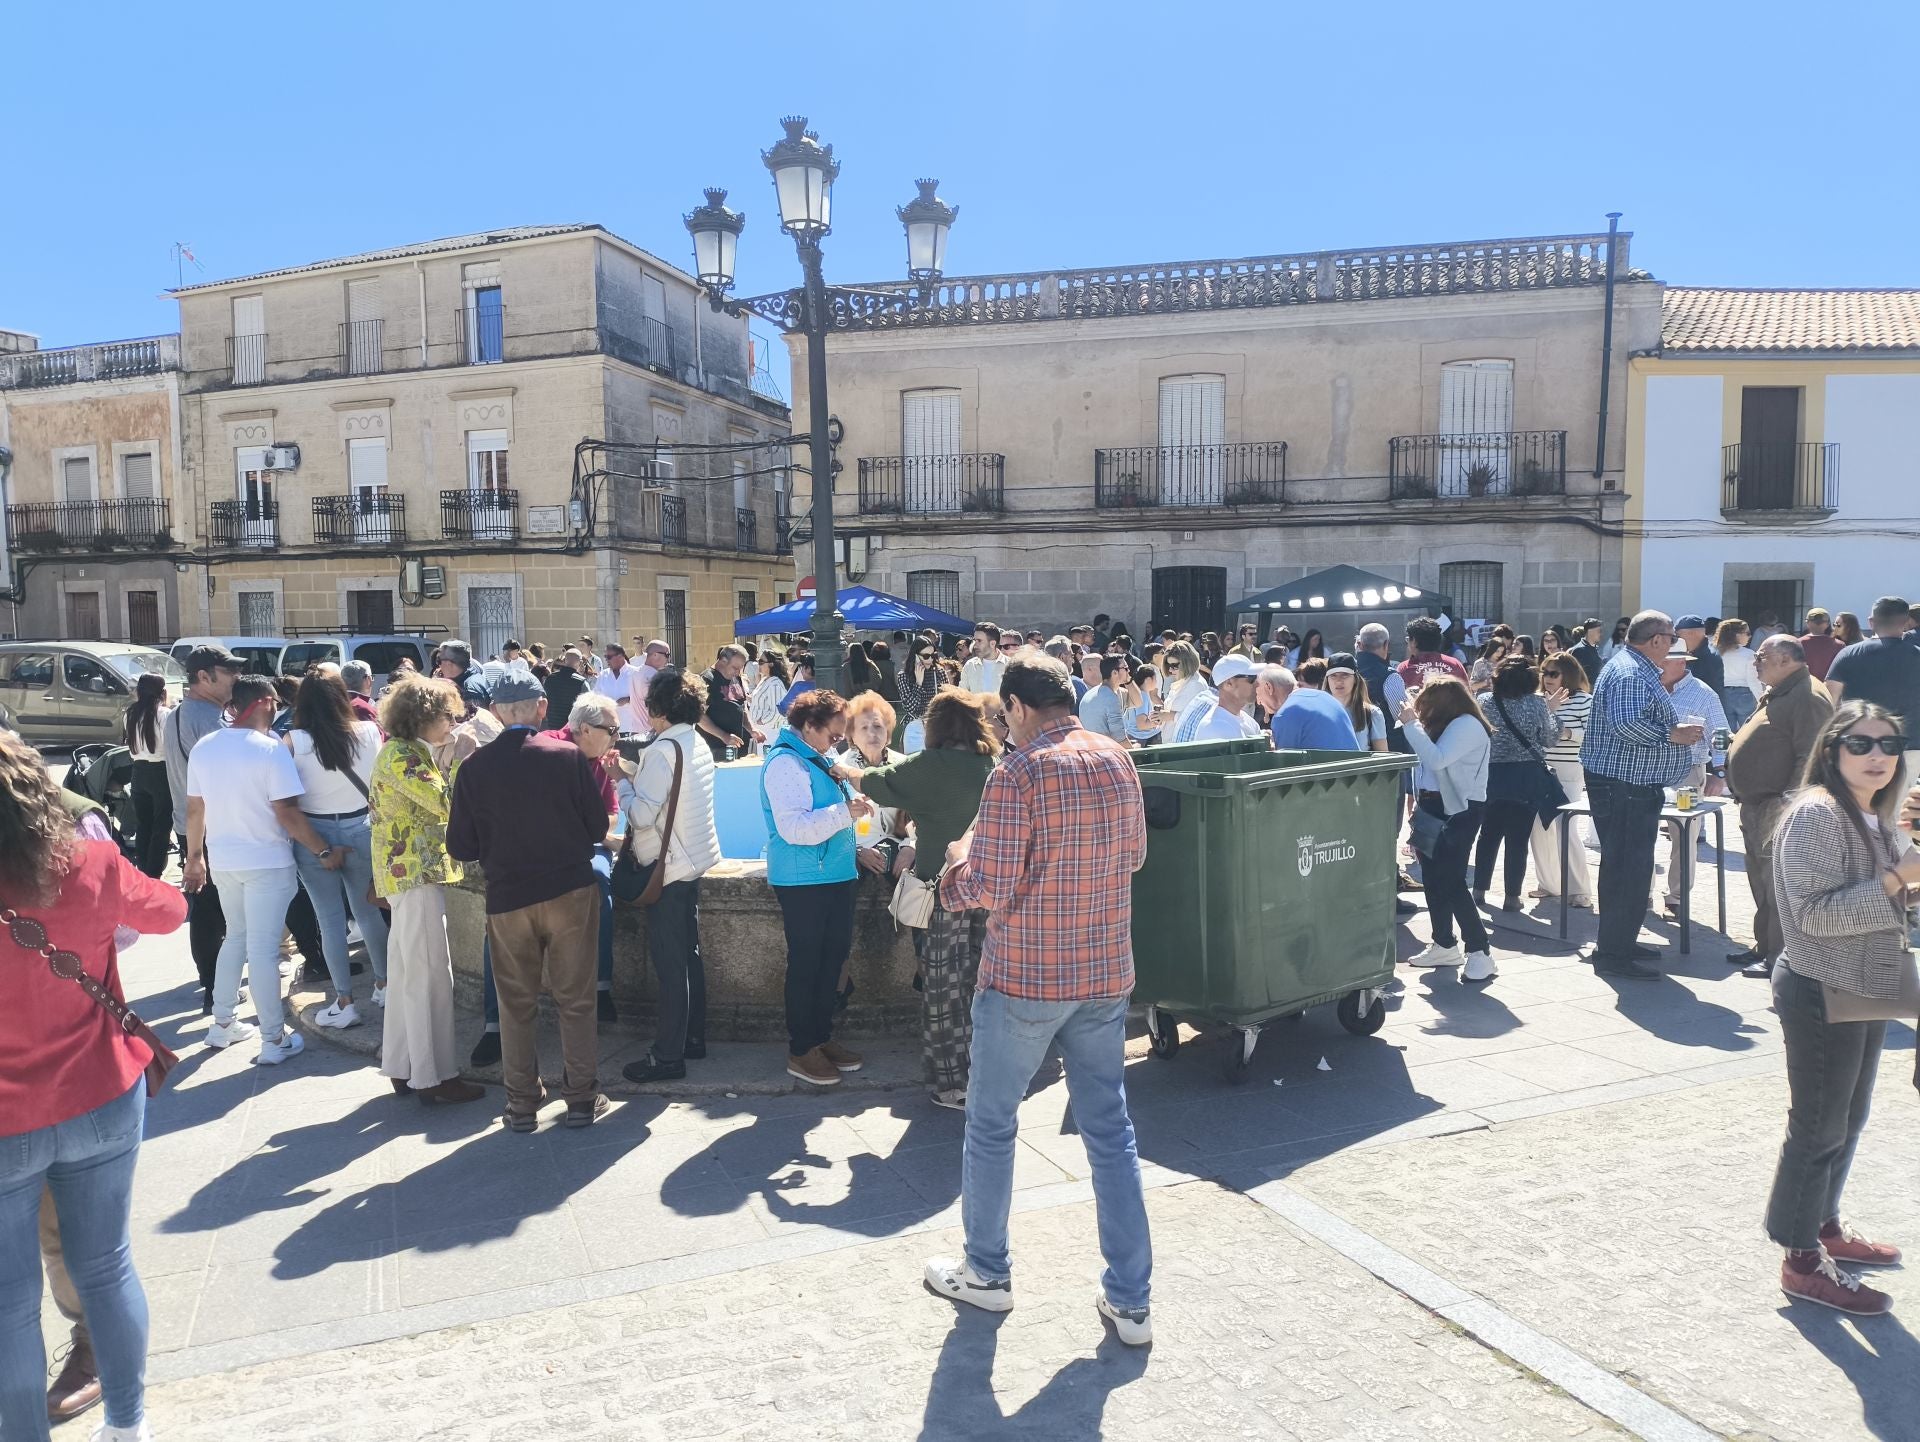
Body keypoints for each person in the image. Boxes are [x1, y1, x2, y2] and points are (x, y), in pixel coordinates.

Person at [925, 652, 1153, 1347]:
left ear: (1019, 708)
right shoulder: (1118, 758)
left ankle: (987, 1273)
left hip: (1026, 976)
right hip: (1104, 971)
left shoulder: (1018, 772)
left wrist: (952, 868)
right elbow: (1136, 856)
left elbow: (986, 885)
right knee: (1110, 1132)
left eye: (1005, 714)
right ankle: (1131, 1299)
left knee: (992, 1124)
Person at [0, 732, 185, 1442]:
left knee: (11, 1303)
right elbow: (169, 911)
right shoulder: (91, 860)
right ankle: (127, 1425)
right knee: (106, 1267)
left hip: (8, 1118)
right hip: (101, 1091)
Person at [1764, 702, 1919, 1317]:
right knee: (1818, 1127)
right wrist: (1898, 876)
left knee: (1848, 1119)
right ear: (1832, 751)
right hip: (1820, 986)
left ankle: (1824, 1225)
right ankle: (1801, 1259)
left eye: (1889, 743)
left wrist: (1905, 867)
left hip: (1864, 982)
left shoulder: (1870, 812)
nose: (1877, 755)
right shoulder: (1816, 815)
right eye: (1860, 744)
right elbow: (1816, 916)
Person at [446, 669, 611, 1131]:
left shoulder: (475, 768)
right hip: (568, 891)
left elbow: (461, 846)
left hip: (509, 897)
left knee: (514, 1003)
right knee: (576, 998)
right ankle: (580, 1096)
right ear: (542, 708)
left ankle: (521, 1104)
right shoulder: (567, 757)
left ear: (496, 713)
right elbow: (598, 828)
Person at [839, 688, 997, 1109]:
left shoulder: (932, 765)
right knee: (983, 985)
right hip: (988, 888)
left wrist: (841, 769)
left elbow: (881, 784)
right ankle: (989, 1072)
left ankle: (952, 1083)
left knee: (944, 989)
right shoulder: (990, 764)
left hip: (942, 889)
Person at [185, 674, 332, 1066]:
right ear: (267, 702)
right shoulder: (269, 750)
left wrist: (194, 856)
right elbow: (287, 812)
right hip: (266, 861)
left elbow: (195, 809)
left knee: (236, 938)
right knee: (264, 951)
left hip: (224, 859)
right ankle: (273, 1039)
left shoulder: (205, 746)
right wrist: (323, 850)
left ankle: (221, 1025)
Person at [370, 676, 485, 1105]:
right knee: (430, 978)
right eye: (446, 716)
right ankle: (434, 1077)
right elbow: (450, 804)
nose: (452, 723)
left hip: (410, 876)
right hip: (415, 878)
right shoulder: (404, 756)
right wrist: (462, 758)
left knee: (408, 975)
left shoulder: (406, 751)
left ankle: (405, 1066)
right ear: (422, 717)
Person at [1581, 612, 1704, 978]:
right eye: (1670, 637)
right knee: (1627, 870)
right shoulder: (1632, 673)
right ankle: (1614, 955)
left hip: (1629, 787)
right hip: (1624, 788)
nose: (1672, 644)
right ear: (1655, 640)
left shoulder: (1632, 668)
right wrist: (1673, 734)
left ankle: (1619, 942)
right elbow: (1626, 723)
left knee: (1628, 868)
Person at [759, 689, 870, 1088]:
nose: (839, 742)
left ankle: (821, 1038)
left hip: (834, 874)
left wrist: (853, 799)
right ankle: (801, 1047)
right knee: (807, 964)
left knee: (831, 961)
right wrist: (846, 811)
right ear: (809, 727)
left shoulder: (815, 756)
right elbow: (794, 829)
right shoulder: (785, 764)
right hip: (804, 880)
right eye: (834, 735)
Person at [619, 670, 722, 1085]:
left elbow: (643, 815)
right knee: (688, 956)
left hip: (669, 868)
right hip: (693, 860)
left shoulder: (663, 750)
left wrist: (620, 785)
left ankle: (667, 1056)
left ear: (657, 707)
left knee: (669, 965)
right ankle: (692, 1039)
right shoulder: (695, 741)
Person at [285, 671, 390, 1029]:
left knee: (329, 920)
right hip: (362, 827)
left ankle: (344, 1001)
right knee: (368, 912)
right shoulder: (369, 731)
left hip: (314, 833)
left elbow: (287, 798)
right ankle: (385, 984)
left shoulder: (293, 742)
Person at [1724, 636, 1834, 978]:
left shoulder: (1807, 696)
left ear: (1787, 660)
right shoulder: (1782, 689)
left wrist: (1791, 802)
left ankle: (1779, 957)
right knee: (1761, 880)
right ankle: (1765, 946)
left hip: (1779, 807)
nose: (1755, 663)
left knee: (1778, 886)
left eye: (1762, 657)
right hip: (1757, 804)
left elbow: (1811, 755)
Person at [1399, 676, 1496, 979]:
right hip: (1433, 806)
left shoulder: (1466, 725)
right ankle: (1443, 943)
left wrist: (1411, 725)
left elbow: (1437, 760)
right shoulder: (1450, 724)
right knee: (1432, 877)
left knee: (1451, 880)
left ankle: (1480, 950)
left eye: (1426, 700)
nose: (1421, 706)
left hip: (1459, 810)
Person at [164, 644, 243, 1009]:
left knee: (207, 909)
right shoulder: (209, 721)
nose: (236, 678)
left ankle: (210, 981)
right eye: (228, 672)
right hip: (214, 829)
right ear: (203, 677)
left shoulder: (178, 714)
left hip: (191, 827)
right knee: (217, 912)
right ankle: (216, 990)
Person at [1473, 656, 1557, 913]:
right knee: (1518, 839)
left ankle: (1478, 890)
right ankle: (1512, 896)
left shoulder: (1486, 701)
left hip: (1493, 774)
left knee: (1488, 834)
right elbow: (1550, 739)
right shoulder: (1538, 703)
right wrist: (1553, 713)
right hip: (1526, 775)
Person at [1657, 641, 1730, 918]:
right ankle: (1641, 891)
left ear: (1681, 663)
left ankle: (1677, 897)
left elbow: (1722, 733)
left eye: (1662, 661)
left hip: (1687, 773)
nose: (1656, 666)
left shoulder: (1703, 694)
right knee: (1641, 831)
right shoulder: (1648, 688)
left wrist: (1719, 770)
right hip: (1648, 770)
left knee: (1684, 834)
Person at [1826, 595, 1920, 797]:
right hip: (1911, 744)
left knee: (1862, 802)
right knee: (1902, 808)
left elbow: (1829, 700)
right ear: (1905, 623)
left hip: (1860, 743)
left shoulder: (1848, 654)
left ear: (1871, 622)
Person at [1527, 653, 1595, 908]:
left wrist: (1566, 731)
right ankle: (1549, 883)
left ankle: (1579, 889)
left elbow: (1591, 736)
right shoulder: (1537, 701)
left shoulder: (1584, 701)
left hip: (1568, 770)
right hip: (1540, 769)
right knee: (1539, 827)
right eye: (1544, 672)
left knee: (1565, 827)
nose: (1547, 678)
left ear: (1568, 674)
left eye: (1553, 673)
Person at [123, 672, 173, 879]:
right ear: (162, 692)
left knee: (144, 824)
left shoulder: (130, 713)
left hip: (138, 772)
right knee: (161, 827)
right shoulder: (164, 714)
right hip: (160, 771)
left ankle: (143, 870)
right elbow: (169, 746)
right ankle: (154, 873)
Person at [1269, 661, 1360, 751]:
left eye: (1300, 685)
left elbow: (1284, 759)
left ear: (1318, 685)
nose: (1297, 690)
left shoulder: (1289, 712)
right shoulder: (1334, 704)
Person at [1172, 654, 1261, 743]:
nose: (1257, 684)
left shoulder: (1249, 721)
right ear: (1229, 683)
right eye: (1252, 678)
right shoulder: (1215, 726)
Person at [699, 644, 755, 763]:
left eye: (740, 668)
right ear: (723, 660)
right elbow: (698, 716)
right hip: (714, 750)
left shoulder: (736, 678)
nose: (737, 672)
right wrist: (723, 736)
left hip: (736, 748)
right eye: (735, 667)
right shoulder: (707, 680)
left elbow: (741, 707)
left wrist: (751, 729)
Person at [1325, 652, 1387, 751]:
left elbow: (1383, 756)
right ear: (1327, 680)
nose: (1338, 681)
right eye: (1333, 675)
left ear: (1355, 679)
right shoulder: (1319, 713)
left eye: (1345, 675)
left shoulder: (1372, 714)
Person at [1078, 655, 1138, 744]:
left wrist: (1128, 680)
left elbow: (1138, 702)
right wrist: (1135, 749)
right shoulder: (1110, 697)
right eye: (1125, 668)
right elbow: (1120, 739)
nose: (1128, 671)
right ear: (1114, 673)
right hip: (1106, 752)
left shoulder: (1091, 693)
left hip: (1093, 750)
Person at [1398, 617, 1469, 691]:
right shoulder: (1455, 664)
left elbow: (1399, 699)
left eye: (1408, 639)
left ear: (1414, 642)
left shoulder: (1404, 668)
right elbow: (1467, 696)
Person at [1717, 619, 1763, 731]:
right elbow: (1753, 680)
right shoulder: (1749, 654)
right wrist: (1761, 699)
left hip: (1723, 693)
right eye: (1747, 633)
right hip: (1744, 694)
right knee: (1746, 729)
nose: (1750, 636)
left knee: (1726, 730)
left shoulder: (1717, 652)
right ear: (1737, 635)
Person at [1673, 614, 1725, 704]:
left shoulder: (1709, 657)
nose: (1677, 641)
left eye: (1678, 636)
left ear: (1691, 634)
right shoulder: (1701, 652)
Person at [434, 639, 493, 717]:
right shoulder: (472, 678)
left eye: (439, 661)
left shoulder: (470, 689)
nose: (438, 666)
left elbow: (472, 723)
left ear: (449, 664)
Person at [746, 651, 792, 749]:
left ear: (771, 664)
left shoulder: (775, 684)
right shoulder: (765, 680)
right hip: (762, 730)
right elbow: (761, 701)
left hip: (770, 731)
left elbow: (777, 710)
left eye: (761, 662)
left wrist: (761, 721)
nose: (759, 664)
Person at [1161, 640, 1211, 721]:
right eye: (1168, 665)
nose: (1170, 669)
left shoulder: (1196, 685)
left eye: (1174, 665)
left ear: (1187, 663)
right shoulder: (1183, 681)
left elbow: (1198, 718)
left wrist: (1171, 716)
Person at [593, 643, 637, 733]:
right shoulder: (603, 675)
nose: (606, 660)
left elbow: (646, 698)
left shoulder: (635, 673)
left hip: (631, 729)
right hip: (609, 730)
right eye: (605, 657)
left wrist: (629, 699)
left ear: (620, 656)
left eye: (609, 657)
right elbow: (595, 698)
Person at [960, 623, 1007, 694]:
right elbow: (962, 695)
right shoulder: (970, 665)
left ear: (992, 644)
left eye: (979, 641)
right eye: (974, 640)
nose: (975, 646)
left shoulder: (1010, 666)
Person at [1799, 608, 1843, 682]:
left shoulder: (1797, 644)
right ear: (1828, 624)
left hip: (1805, 687)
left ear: (1807, 623)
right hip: (1829, 689)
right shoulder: (1839, 645)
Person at [340, 659, 381, 728]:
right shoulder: (362, 708)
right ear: (368, 680)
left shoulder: (334, 702)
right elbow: (381, 736)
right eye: (372, 677)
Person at [777, 651, 818, 716]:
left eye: (802, 667)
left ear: (808, 669)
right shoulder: (827, 686)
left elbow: (783, 707)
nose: (801, 671)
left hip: (799, 724)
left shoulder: (799, 686)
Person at [1568, 619, 1606, 687]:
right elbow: (1578, 677)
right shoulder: (1579, 650)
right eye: (1599, 631)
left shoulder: (1595, 648)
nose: (1601, 634)